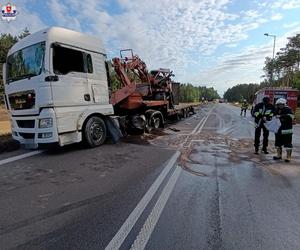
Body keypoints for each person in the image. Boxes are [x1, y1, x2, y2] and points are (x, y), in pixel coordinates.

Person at [273, 98, 294, 162]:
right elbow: (273, 115)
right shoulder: (277, 109)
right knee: (278, 143)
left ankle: (288, 157)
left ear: (284, 104)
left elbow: (291, 117)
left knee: (288, 144)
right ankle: (279, 155)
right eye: (278, 104)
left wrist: (281, 116)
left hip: (287, 130)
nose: (279, 106)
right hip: (278, 129)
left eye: (280, 104)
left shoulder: (288, 109)